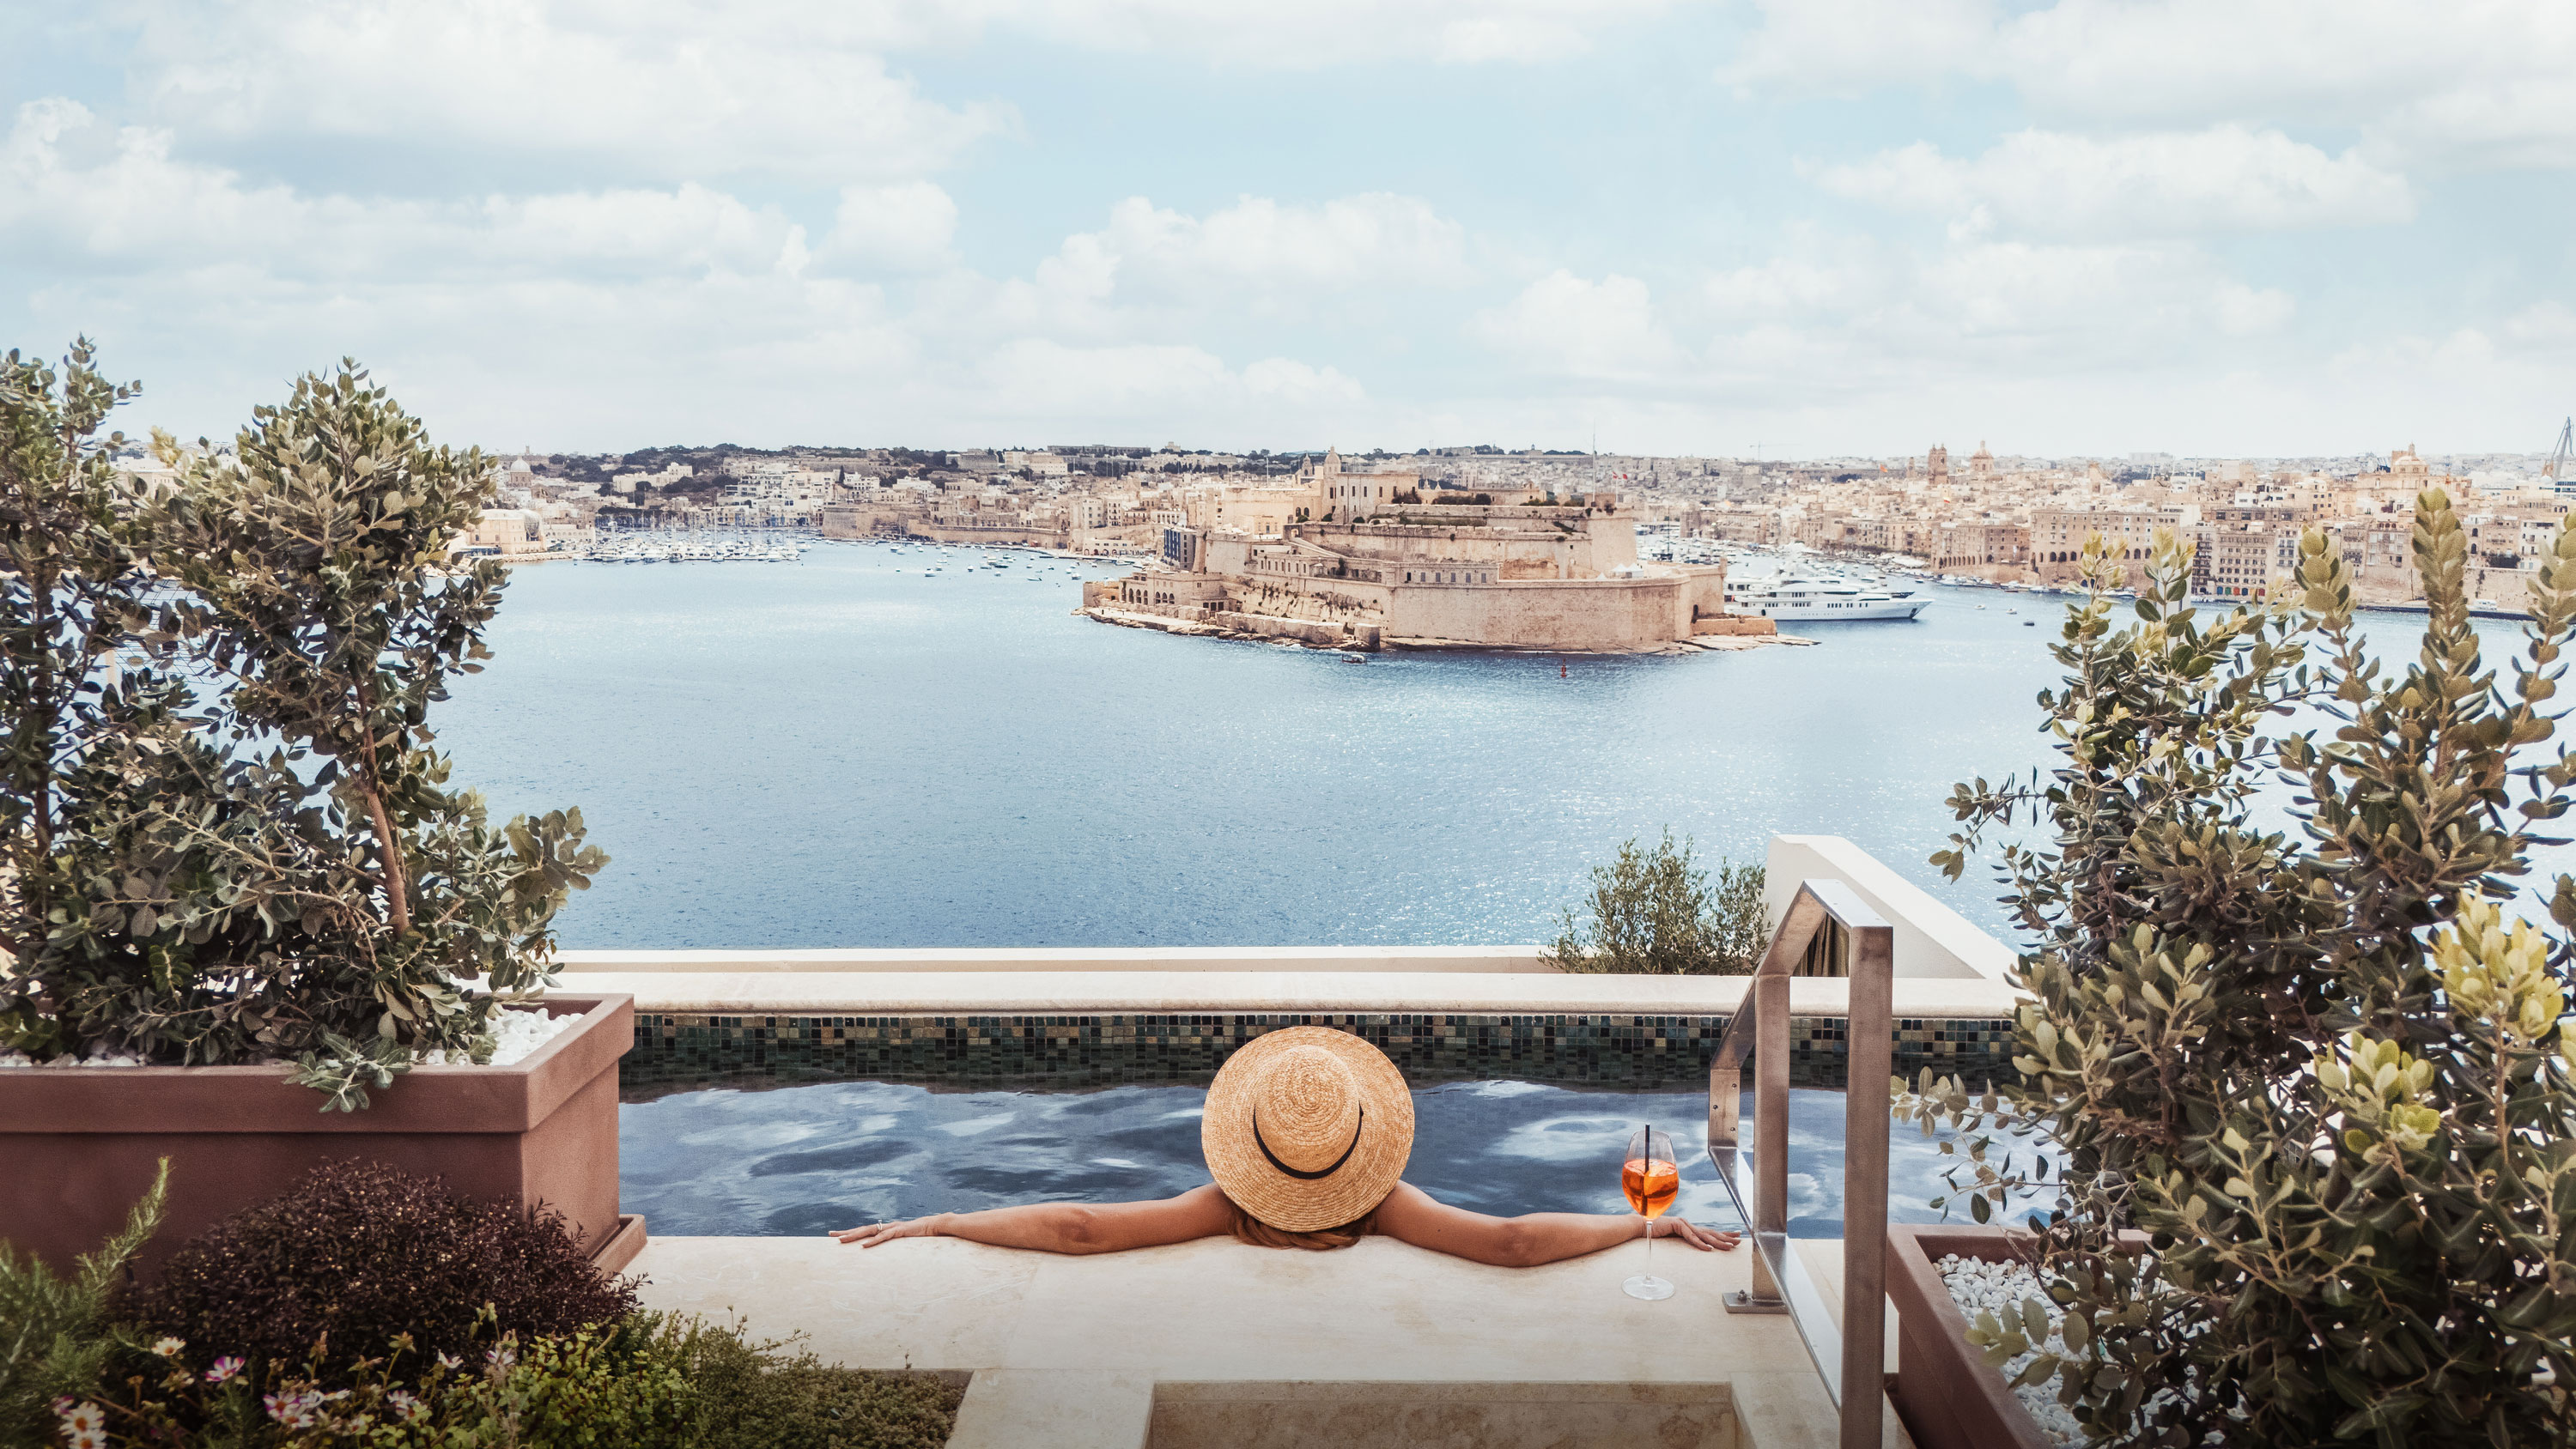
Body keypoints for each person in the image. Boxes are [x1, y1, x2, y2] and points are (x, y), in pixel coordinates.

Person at [831, 1026, 1741, 1267]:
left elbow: (1081, 1227)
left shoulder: (1222, 1208)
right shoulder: (1386, 1206)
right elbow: (1512, 1242)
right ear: (1359, 1139)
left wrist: (942, 1220)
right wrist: (1644, 1226)